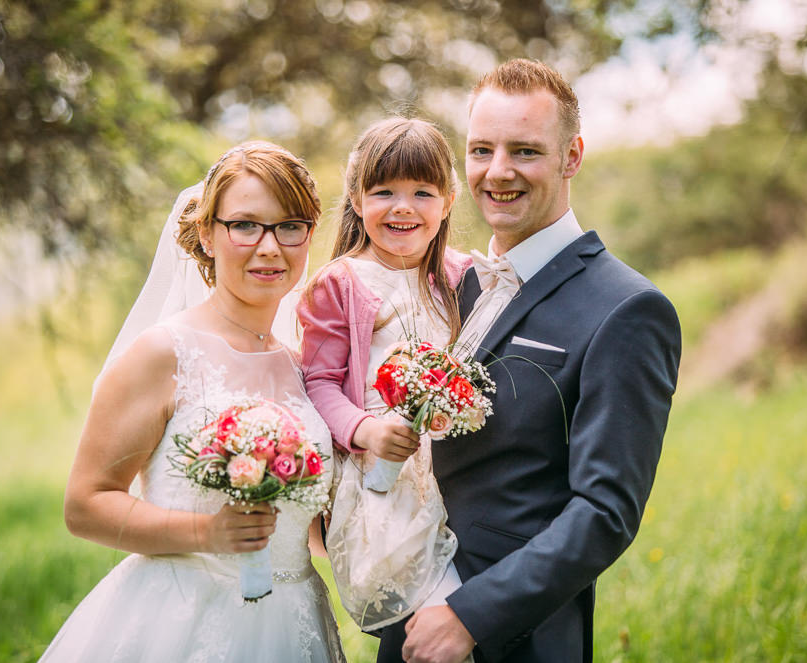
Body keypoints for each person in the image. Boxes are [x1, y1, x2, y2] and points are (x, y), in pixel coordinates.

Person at [389, 59, 682, 663]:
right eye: (480, 150)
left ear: (571, 156)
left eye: (524, 151)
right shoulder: (447, 286)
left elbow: (606, 511)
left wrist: (472, 616)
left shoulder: (627, 309)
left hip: (515, 638)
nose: (498, 173)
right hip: (410, 618)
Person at [39, 142, 345, 662]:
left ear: (310, 235)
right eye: (245, 225)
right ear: (207, 234)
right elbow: (85, 505)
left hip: (294, 623)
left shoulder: (302, 367)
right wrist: (208, 532)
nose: (270, 247)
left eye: (290, 226)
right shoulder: (163, 353)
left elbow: (310, 530)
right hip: (182, 620)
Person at [296, 118, 473, 637]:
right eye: (384, 192)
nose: (403, 206)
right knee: (412, 615)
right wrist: (366, 432)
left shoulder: (462, 276)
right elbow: (320, 383)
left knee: (463, 612)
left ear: (448, 199)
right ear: (355, 197)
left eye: (422, 191)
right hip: (382, 472)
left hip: (458, 466)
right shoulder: (341, 283)